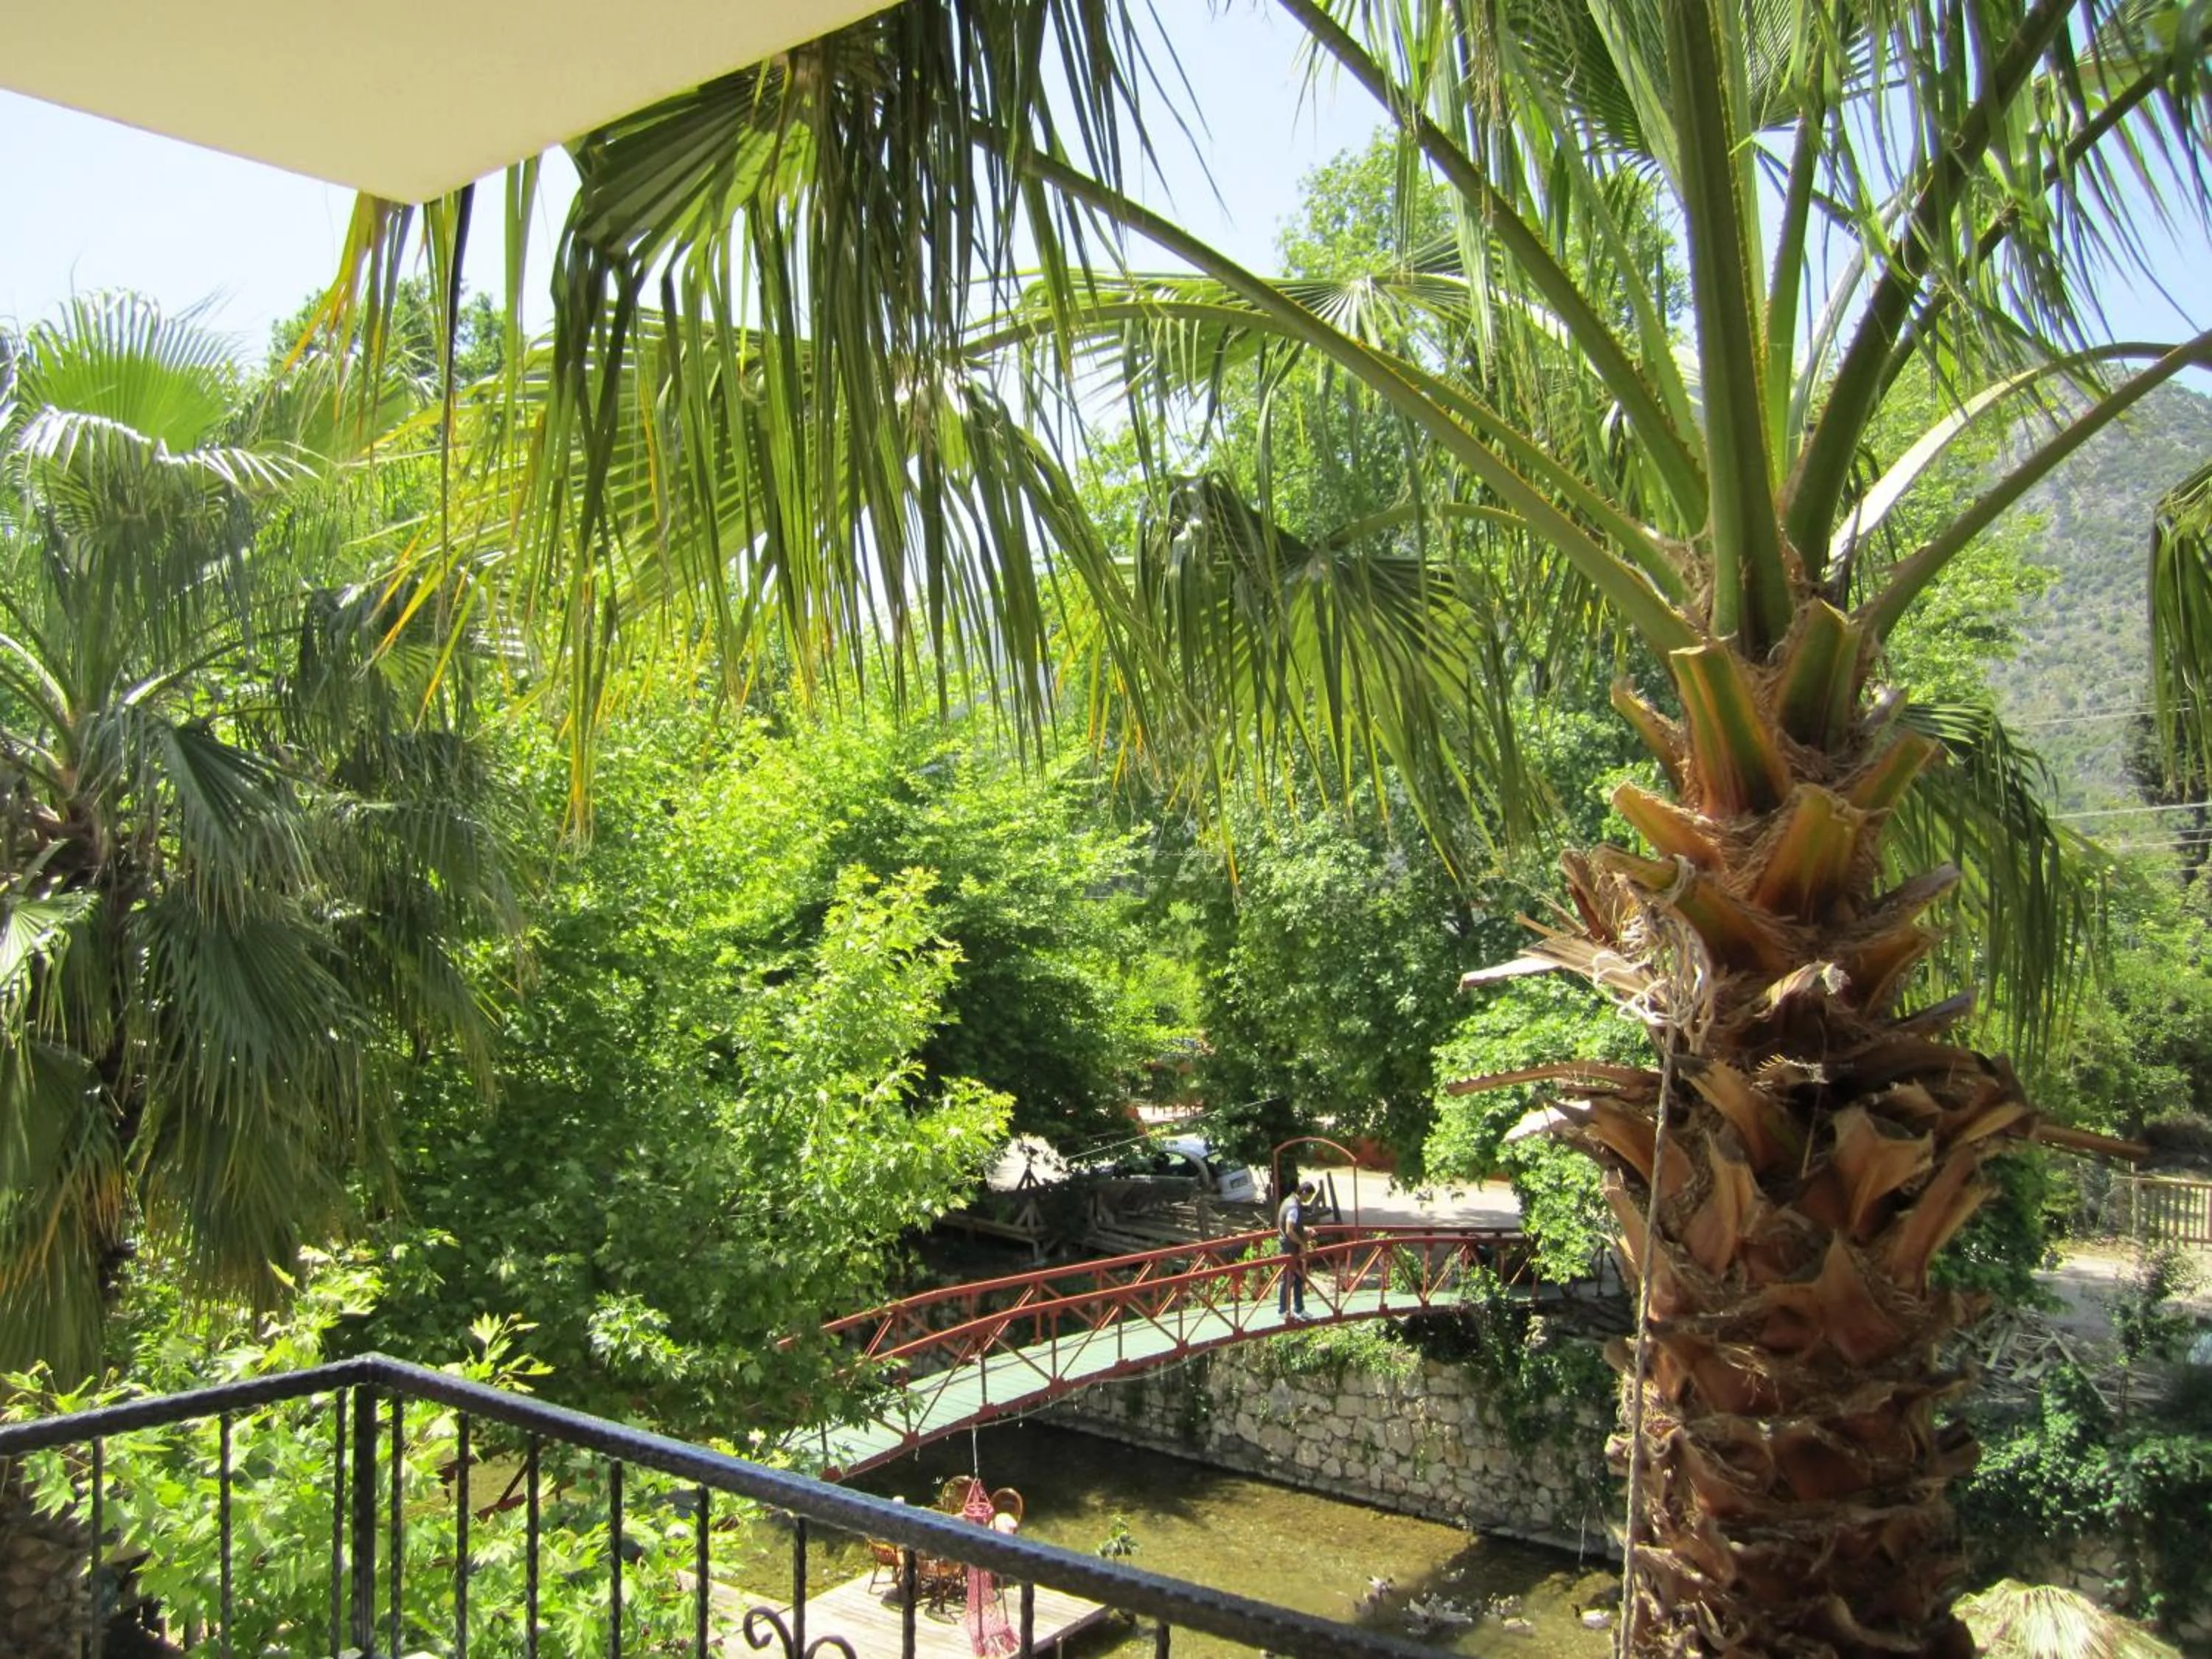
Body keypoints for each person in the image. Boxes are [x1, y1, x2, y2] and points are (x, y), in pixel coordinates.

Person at [1276, 1179, 1318, 1319]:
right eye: (1310, 1196)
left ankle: (1294, 1309)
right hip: (1290, 1247)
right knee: (1290, 1278)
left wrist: (1304, 1229)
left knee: (1293, 1278)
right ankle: (1286, 1310)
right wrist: (1302, 1243)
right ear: (1304, 1192)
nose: (1309, 1199)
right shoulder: (1294, 1207)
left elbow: (1290, 1226)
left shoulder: (1288, 1201)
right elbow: (1289, 1230)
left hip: (1287, 1245)